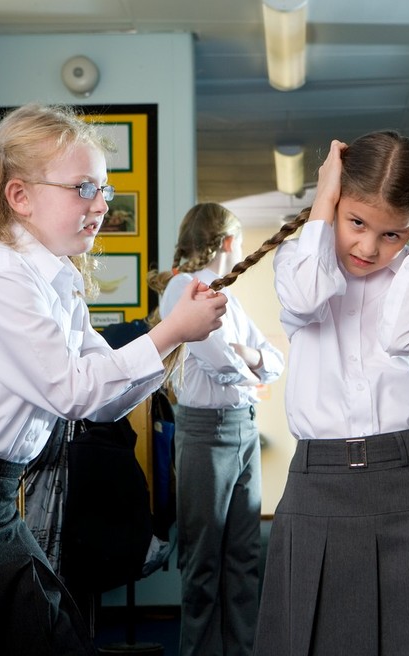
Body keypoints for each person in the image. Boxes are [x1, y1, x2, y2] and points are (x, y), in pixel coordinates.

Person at [0, 103, 228, 655]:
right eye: (83, 188)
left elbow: (102, 402)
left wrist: (174, 331)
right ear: (20, 196)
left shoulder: (57, 277)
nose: (100, 206)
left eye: (104, 190)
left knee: (52, 633)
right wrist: (171, 333)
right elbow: (74, 391)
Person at [209, 131, 409, 655]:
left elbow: (406, 336)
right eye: (356, 222)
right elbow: (306, 297)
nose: (368, 247)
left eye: (392, 234)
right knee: (314, 638)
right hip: (321, 482)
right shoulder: (299, 261)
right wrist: (324, 196)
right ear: (335, 204)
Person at [148, 202, 285, 656]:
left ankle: (242, 650)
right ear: (227, 241)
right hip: (206, 431)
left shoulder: (231, 295)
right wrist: (251, 361)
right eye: (240, 241)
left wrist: (249, 358)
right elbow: (221, 363)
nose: (242, 248)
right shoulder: (184, 289)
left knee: (245, 558)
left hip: (243, 428)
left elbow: (274, 360)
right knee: (203, 561)